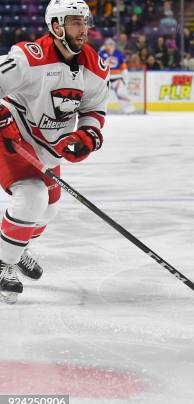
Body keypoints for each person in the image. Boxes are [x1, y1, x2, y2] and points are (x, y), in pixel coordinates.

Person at [0, 0, 110, 304]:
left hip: (49, 148)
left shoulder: (95, 66)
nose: (83, 29)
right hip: (14, 138)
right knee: (31, 198)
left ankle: (15, 247)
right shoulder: (28, 57)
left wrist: (87, 135)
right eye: (75, 22)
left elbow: (94, 109)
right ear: (57, 26)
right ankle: (4, 263)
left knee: (49, 208)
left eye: (85, 23)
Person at [99, 38, 134, 114]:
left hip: (117, 78)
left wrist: (125, 72)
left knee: (121, 93)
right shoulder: (101, 53)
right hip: (105, 78)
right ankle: (102, 111)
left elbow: (123, 63)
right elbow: (98, 65)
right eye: (109, 44)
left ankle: (129, 110)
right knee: (103, 96)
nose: (111, 46)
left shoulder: (118, 53)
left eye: (112, 44)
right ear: (105, 45)